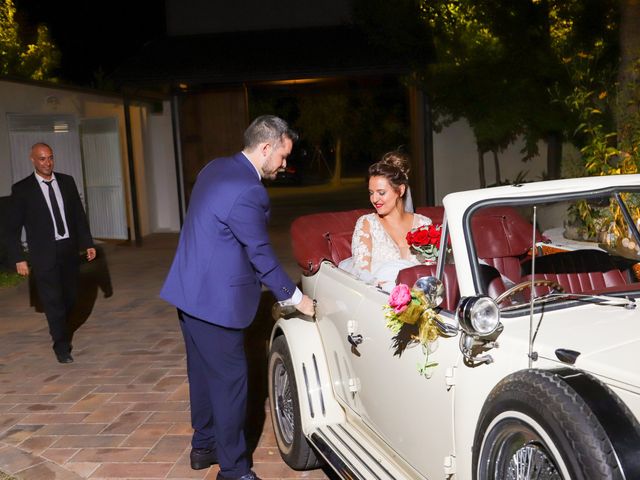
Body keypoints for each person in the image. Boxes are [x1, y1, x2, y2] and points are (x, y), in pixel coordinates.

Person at [160, 115, 314, 480]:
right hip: (216, 305)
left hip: (188, 293)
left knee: (201, 374)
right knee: (232, 388)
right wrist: (295, 298)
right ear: (265, 148)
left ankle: (203, 447)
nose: (284, 164)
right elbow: (260, 255)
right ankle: (233, 471)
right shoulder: (250, 190)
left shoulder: (215, 167)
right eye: (282, 156)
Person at [7, 143, 97, 364]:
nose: (47, 163)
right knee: (53, 301)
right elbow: (11, 229)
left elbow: (78, 214)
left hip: (68, 249)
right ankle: (61, 346)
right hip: (43, 254)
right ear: (33, 160)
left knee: (71, 298)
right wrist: (19, 257)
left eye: (50, 158)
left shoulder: (66, 182)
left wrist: (87, 243)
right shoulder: (22, 189)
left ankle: (60, 328)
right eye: (42, 159)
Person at [350, 151, 432, 290]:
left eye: (381, 192)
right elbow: (361, 273)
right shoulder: (367, 224)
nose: (374, 199)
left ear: (400, 190)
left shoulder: (424, 224)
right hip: (381, 299)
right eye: (371, 193)